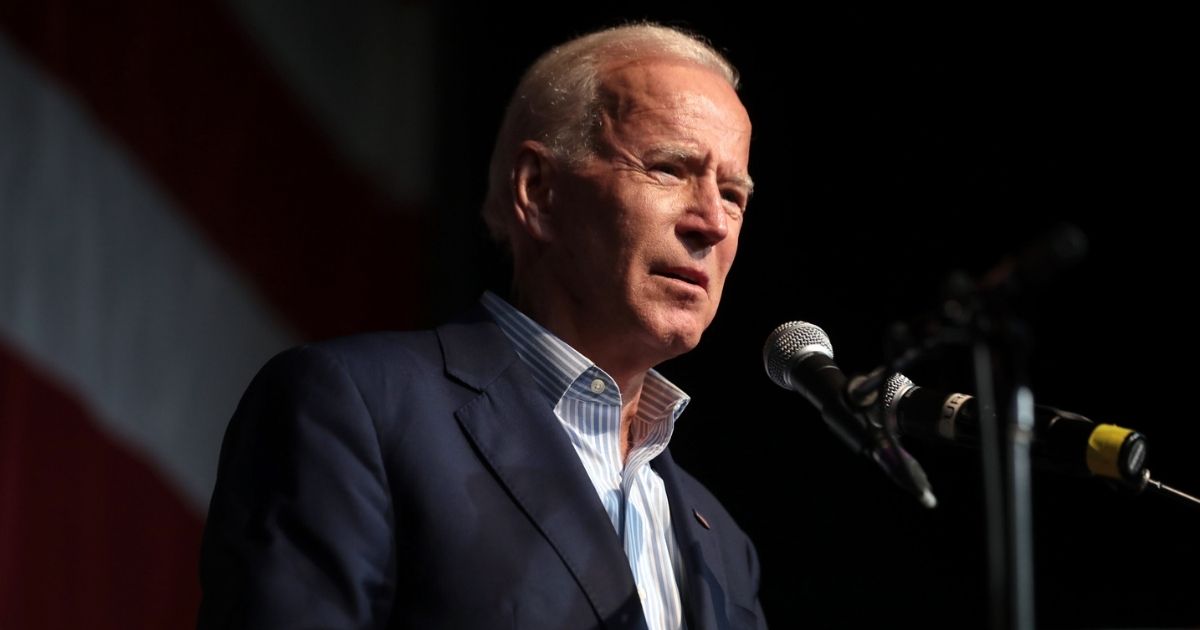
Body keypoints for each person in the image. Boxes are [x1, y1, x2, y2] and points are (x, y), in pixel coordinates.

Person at [198, 22, 765, 630]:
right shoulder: (355, 407)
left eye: (733, 194)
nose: (713, 222)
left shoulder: (723, 547)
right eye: (669, 169)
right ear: (539, 191)